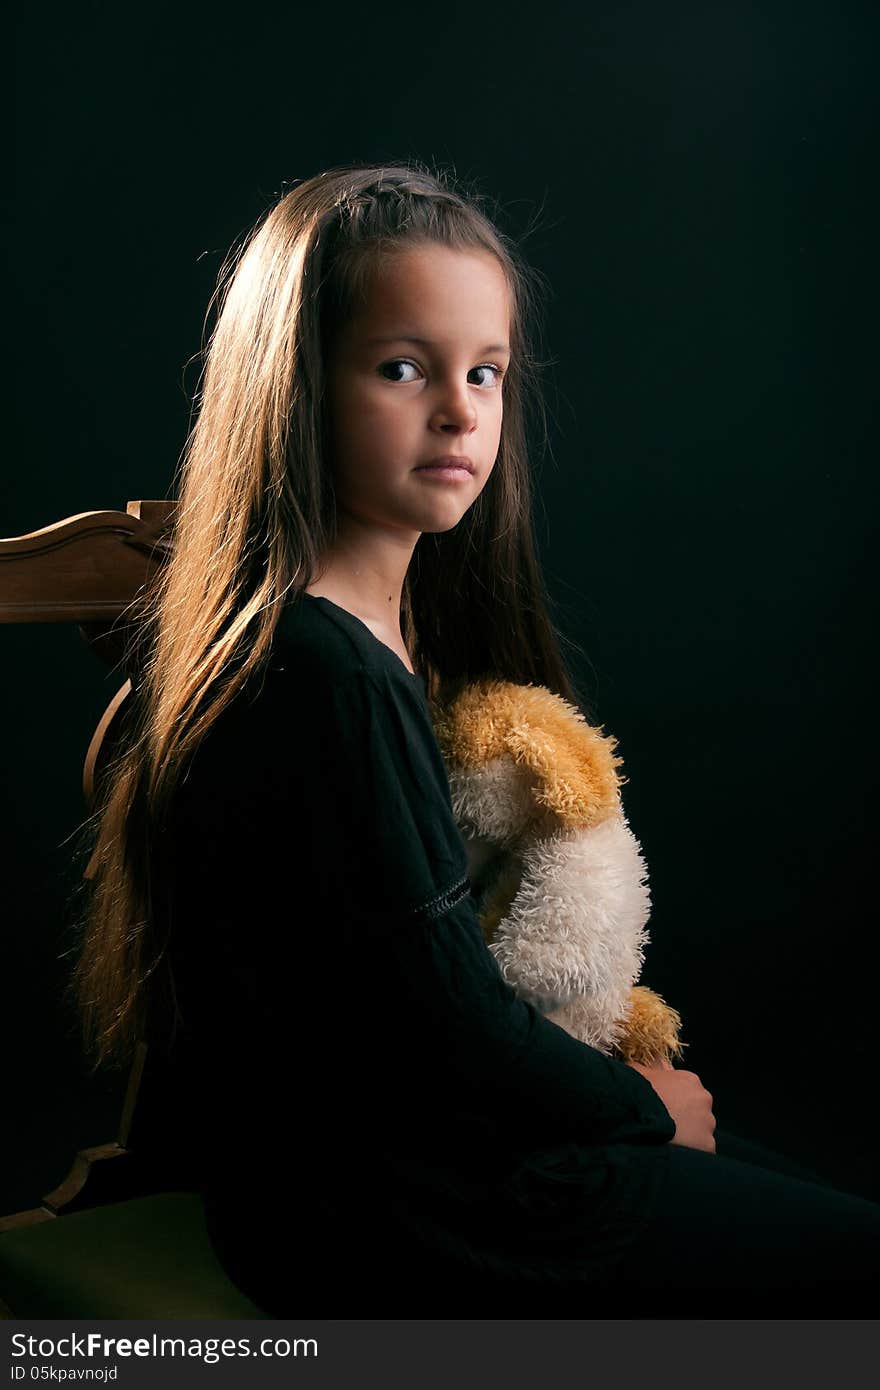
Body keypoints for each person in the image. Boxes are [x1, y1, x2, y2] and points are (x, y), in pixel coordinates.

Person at [68, 162, 880, 1318]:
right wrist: (644, 1109)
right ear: (293, 389)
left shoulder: (369, 642)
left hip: (417, 1169)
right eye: (404, 368)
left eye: (485, 372)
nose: (460, 410)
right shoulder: (324, 671)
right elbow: (445, 1030)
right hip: (398, 1217)